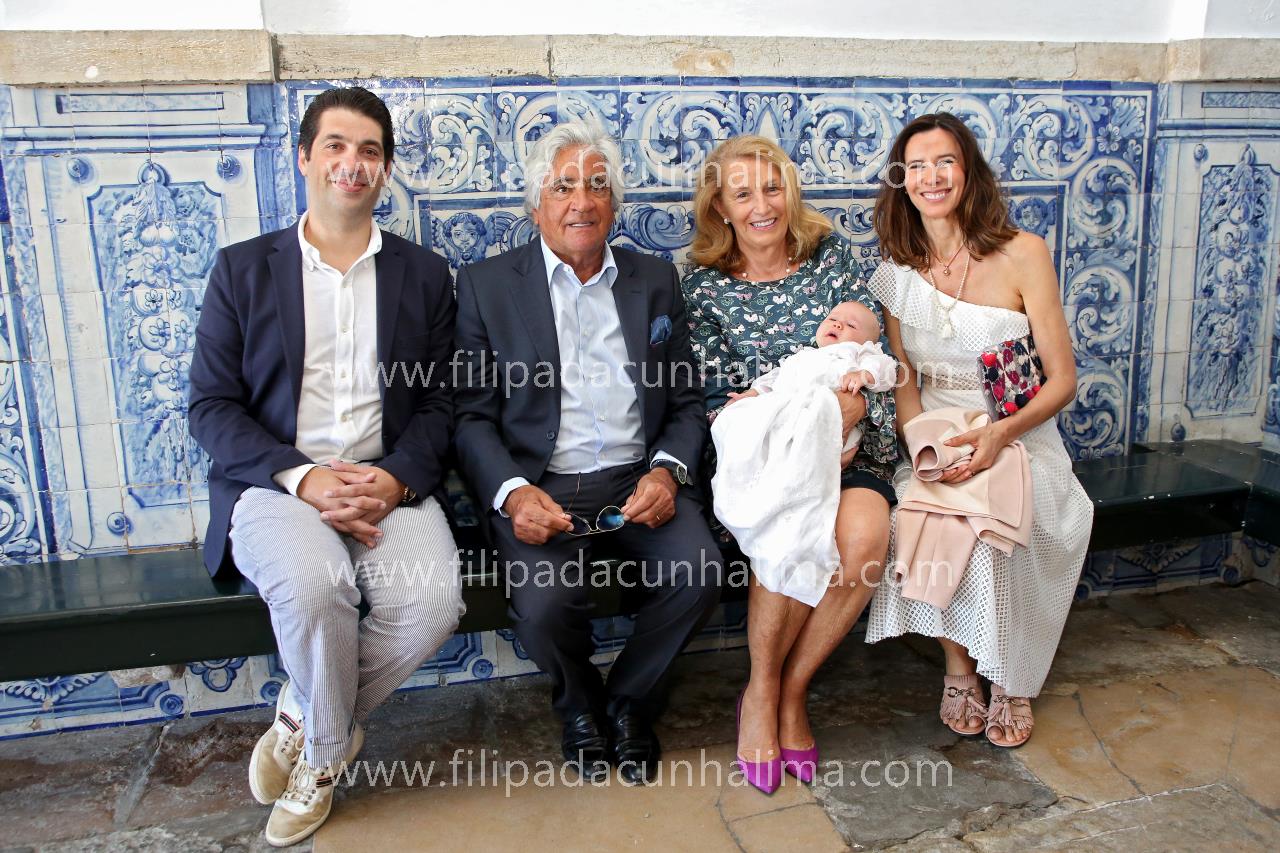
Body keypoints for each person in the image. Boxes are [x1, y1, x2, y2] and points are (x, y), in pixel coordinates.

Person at [188, 87, 464, 846]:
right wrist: (303, 477)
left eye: (370, 150)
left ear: (385, 170)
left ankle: (303, 719)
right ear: (305, 156)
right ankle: (323, 758)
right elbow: (210, 406)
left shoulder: (425, 275)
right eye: (335, 146)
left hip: (385, 480)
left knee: (433, 602)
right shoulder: (243, 270)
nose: (352, 163)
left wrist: (396, 478)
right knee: (317, 589)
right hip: (277, 484)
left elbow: (441, 402)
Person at [453, 119, 723, 786]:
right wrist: (513, 492)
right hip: (542, 483)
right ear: (535, 205)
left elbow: (686, 399)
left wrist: (668, 471)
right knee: (545, 606)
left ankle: (629, 703)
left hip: (638, 478)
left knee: (699, 571)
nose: (582, 201)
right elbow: (471, 417)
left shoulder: (654, 280)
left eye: (597, 186)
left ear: (615, 203)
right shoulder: (487, 286)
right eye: (564, 186)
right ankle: (579, 705)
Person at [864, 112, 1093, 748]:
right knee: (919, 512)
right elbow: (904, 375)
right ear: (902, 181)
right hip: (935, 433)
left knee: (997, 531)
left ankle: (1012, 678)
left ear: (968, 171)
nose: (931, 177)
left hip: (1015, 430)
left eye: (945, 162)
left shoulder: (1024, 253)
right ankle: (960, 669)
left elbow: (1062, 381)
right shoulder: (898, 267)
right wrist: (923, 446)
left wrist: (998, 437)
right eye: (916, 166)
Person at [682, 135, 898, 793]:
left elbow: (877, 362)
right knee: (786, 533)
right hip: (766, 460)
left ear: (790, 193)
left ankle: (792, 688)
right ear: (720, 208)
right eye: (743, 193)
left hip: (847, 445)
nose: (762, 206)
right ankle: (761, 691)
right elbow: (716, 398)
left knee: (864, 539)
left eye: (772, 188)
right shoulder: (702, 288)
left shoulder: (831, 259)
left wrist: (846, 413)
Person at [710, 301, 897, 608]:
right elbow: (772, 381)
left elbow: (887, 369)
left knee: (820, 410)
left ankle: (795, 498)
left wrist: (865, 375)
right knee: (735, 419)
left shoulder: (860, 355)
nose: (838, 325)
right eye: (833, 318)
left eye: (851, 325)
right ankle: (754, 486)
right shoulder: (803, 356)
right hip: (790, 422)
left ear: (867, 342)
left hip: (832, 430)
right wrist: (751, 394)